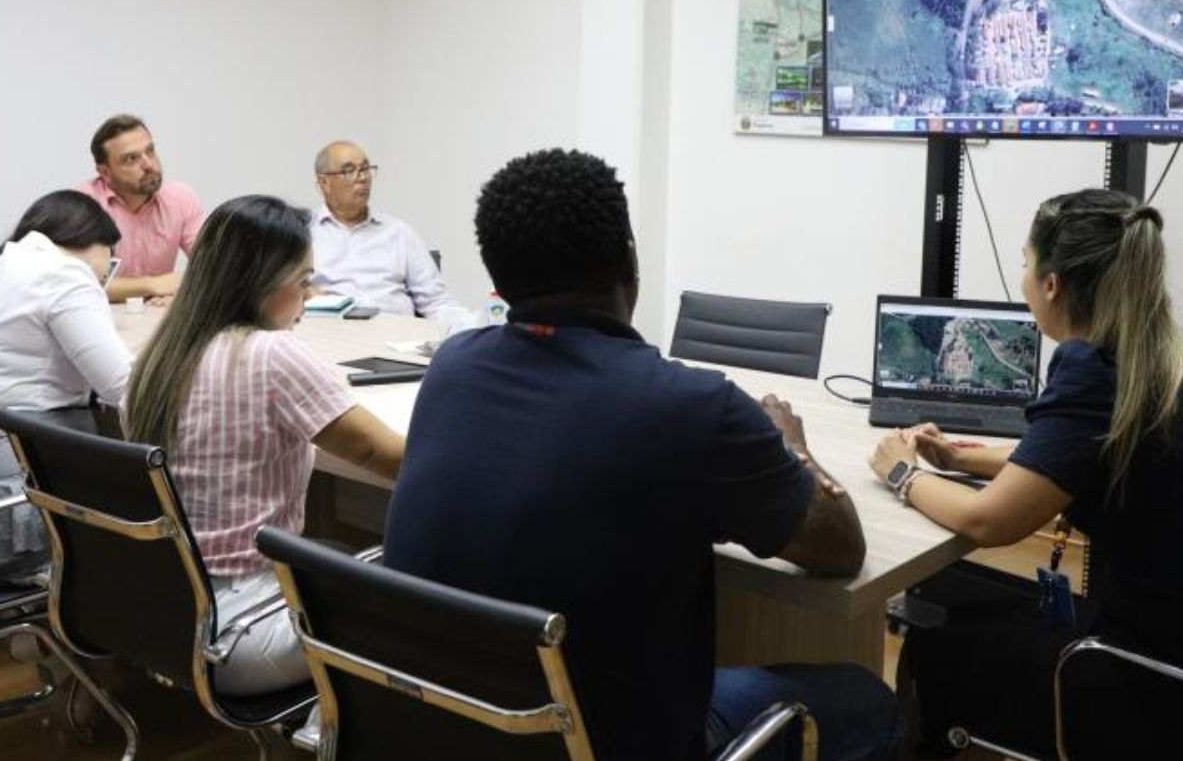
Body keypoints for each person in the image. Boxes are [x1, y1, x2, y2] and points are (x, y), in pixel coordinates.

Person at [381, 149, 900, 761]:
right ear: (628, 258)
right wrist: (791, 444)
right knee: (868, 701)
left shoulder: (453, 366)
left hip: (448, 724)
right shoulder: (691, 406)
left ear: (497, 276)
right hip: (612, 740)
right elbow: (841, 548)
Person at [869, 189, 1183, 759]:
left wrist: (901, 473)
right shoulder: (1158, 355)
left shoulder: (1093, 368)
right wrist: (959, 458)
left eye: (1026, 262)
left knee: (934, 646)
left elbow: (988, 521)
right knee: (973, 602)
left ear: (1052, 283)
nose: (1023, 277)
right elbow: (1077, 457)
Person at [124, 194, 404, 695]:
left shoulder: (159, 358)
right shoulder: (270, 354)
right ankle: (338, 724)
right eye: (304, 281)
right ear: (263, 286)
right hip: (240, 630)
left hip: (160, 610)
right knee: (425, 592)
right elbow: (386, 457)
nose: (310, 294)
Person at [0, 191, 132, 585]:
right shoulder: (66, 274)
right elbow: (122, 387)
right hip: (25, 497)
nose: (106, 273)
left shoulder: (2, 267)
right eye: (109, 257)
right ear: (85, 240)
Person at [309, 140, 463, 318]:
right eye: (349, 171)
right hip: (329, 335)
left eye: (365, 169)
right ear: (324, 182)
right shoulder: (302, 233)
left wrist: (468, 328)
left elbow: (436, 301)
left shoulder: (399, 232)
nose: (363, 178)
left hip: (396, 337)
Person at [83, 114, 204, 304]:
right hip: (99, 317)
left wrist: (183, 294)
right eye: (131, 159)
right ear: (105, 172)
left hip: (157, 316)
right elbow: (84, 286)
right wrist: (154, 285)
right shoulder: (84, 204)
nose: (148, 164)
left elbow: (213, 267)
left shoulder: (181, 197)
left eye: (150, 151)